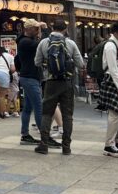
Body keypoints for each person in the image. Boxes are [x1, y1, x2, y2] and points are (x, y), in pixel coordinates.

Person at [34, 17, 83, 156]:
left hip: (50, 82)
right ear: (65, 29)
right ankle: (66, 147)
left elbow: (37, 62)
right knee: (67, 115)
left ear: (52, 28)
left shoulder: (44, 42)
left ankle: (43, 145)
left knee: (47, 113)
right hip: (67, 82)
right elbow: (80, 64)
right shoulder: (70, 43)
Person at [95, 21, 118, 157]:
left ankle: (114, 141)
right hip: (112, 80)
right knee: (114, 114)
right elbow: (113, 69)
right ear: (117, 33)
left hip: (114, 80)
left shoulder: (117, 44)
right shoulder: (110, 46)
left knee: (117, 113)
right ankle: (109, 145)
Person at [16, 19, 43, 145]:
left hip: (28, 76)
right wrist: (44, 30)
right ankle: (44, 135)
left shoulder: (25, 41)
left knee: (28, 107)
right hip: (30, 77)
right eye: (35, 28)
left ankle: (25, 134)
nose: (37, 30)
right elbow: (43, 45)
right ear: (28, 29)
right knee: (38, 106)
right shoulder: (26, 42)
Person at [0, 38, 15, 118]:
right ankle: (2, 113)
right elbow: (13, 69)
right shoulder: (10, 56)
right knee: (1, 96)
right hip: (3, 74)